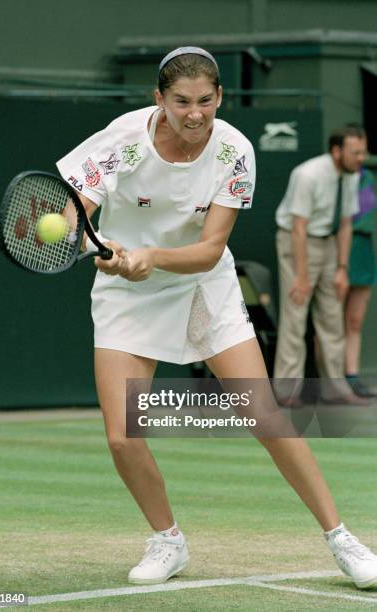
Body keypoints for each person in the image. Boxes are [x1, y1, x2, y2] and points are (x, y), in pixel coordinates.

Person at [56, 48, 377, 589]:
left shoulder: (234, 150)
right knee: (121, 435)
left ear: (220, 98)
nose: (195, 113)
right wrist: (77, 233)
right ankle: (168, 540)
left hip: (204, 286)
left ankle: (342, 537)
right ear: (159, 99)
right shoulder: (124, 139)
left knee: (267, 418)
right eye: (182, 101)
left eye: (206, 100)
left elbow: (208, 250)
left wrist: (151, 256)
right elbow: (73, 211)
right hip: (127, 295)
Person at [274, 126, 369, 406]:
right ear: (336, 151)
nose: (361, 158)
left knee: (331, 316)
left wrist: (342, 268)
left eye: (363, 152)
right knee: (295, 315)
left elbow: (346, 223)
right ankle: (286, 391)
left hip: (329, 244)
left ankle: (335, 389)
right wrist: (301, 276)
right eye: (355, 152)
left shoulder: (351, 176)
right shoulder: (308, 175)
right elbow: (298, 228)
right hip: (297, 242)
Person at [345, 165, 377, 397]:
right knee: (331, 321)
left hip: (363, 249)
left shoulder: (368, 176)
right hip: (338, 248)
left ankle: (352, 377)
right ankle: (331, 380)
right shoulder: (334, 178)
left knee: (355, 320)